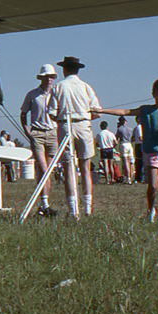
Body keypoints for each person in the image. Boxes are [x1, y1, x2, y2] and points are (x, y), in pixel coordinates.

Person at [95, 78, 158, 223]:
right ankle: (151, 210)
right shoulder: (146, 110)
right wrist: (103, 110)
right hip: (151, 152)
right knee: (152, 185)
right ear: (153, 94)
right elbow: (124, 111)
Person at [47, 56, 101, 219]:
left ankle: (73, 210)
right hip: (83, 125)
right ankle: (87, 208)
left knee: (69, 168)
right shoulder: (86, 87)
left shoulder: (58, 87)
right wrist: (84, 117)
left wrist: (61, 118)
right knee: (85, 167)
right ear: (77, 70)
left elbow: (51, 112)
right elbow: (97, 111)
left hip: (65, 125)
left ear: (64, 69)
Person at [20, 63, 58, 216]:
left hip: (53, 133)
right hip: (37, 133)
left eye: (51, 77)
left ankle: (44, 203)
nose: (49, 80)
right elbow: (23, 113)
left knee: (47, 171)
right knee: (43, 168)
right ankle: (44, 203)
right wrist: (27, 131)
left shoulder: (56, 94)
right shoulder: (32, 94)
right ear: (41, 78)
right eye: (47, 77)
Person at [115, 117, 135, 184]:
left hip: (123, 144)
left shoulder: (120, 129)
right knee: (130, 161)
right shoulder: (130, 129)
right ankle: (131, 177)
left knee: (125, 162)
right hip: (129, 144)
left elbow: (116, 138)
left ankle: (128, 177)